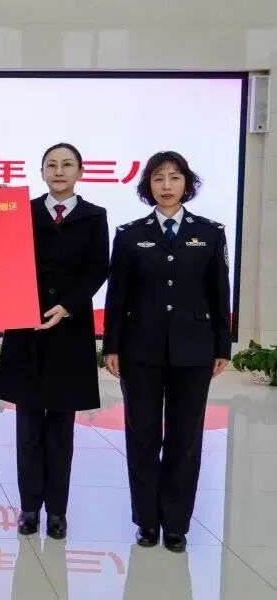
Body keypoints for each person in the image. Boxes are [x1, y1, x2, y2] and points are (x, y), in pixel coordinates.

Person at [102, 151, 231, 553]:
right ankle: (146, 521)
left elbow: (219, 292)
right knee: (142, 435)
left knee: (185, 437)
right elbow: (117, 294)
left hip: (194, 350)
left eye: (175, 177)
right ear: (148, 186)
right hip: (140, 349)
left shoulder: (209, 233)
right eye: (158, 178)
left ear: (187, 184)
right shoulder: (129, 235)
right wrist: (112, 344)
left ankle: (175, 524)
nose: (167, 185)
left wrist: (222, 345)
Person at [0, 143, 109, 539]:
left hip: (70, 330)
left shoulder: (95, 215)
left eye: (67, 164)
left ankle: (57, 511)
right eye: (51, 165)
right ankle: (29, 508)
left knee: (61, 427)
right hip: (26, 327)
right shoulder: (21, 212)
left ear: (80, 172)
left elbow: (98, 268)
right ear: (41, 172)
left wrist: (68, 305)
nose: (59, 171)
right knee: (27, 426)